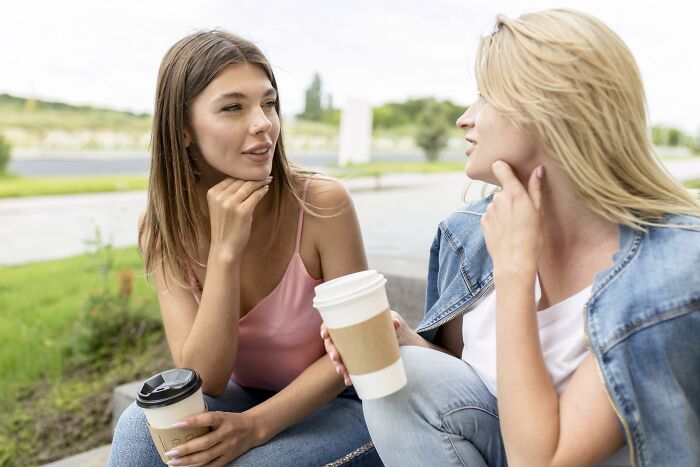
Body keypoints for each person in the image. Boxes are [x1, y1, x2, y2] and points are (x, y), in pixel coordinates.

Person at [323, 8, 700, 467]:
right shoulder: (471, 232)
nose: (465, 118)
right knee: (409, 373)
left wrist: (516, 274)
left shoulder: (672, 270)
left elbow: (540, 461)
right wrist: (405, 341)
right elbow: (468, 390)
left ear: (549, 110)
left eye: (485, 97)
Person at [109, 30, 382, 466]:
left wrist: (254, 427)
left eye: (269, 103)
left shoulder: (322, 204)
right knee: (138, 432)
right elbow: (206, 379)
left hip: (349, 402)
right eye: (234, 107)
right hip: (242, 396)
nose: (263, 123)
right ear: (182, 131)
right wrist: (224, 252)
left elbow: (359, 349)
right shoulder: (162, 229)